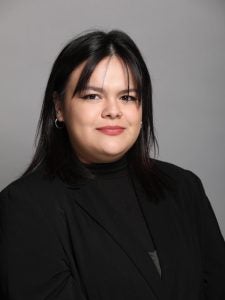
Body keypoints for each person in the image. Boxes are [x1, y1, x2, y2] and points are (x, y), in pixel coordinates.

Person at [0, 30, 225, 300]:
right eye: (92, 96)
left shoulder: (184, 187)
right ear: (59, 107)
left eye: (127, 97)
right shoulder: (23, 205)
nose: (113, 110)